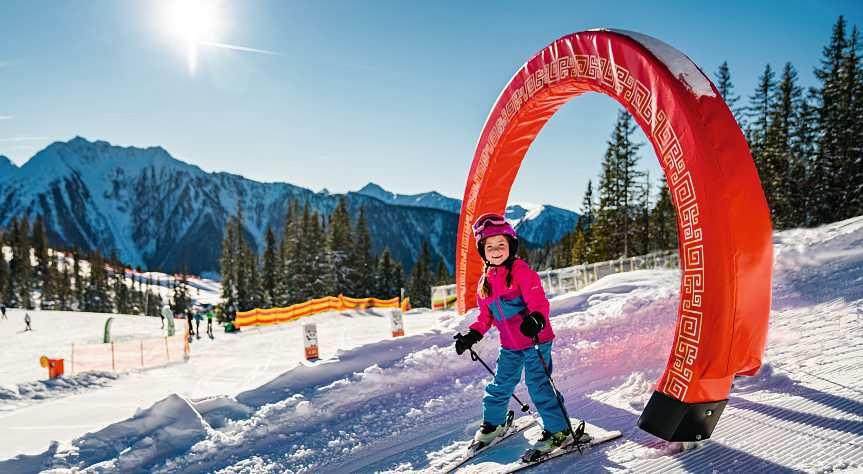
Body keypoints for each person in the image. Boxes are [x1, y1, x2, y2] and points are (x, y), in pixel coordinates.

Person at [454, 212, 572, 457]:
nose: (496, 250)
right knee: (500, 384)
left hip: (535, 340)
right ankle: (494, 424)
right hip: (510, 345)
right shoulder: (485, 282)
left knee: (538, 384)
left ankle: (559, 429)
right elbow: (485, 318)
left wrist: (536, 319)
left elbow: (539, 302)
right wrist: (472, 336)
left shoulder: (521, 271)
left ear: (511, 246)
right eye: (489, 246)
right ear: (482, 251)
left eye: (501, 244)